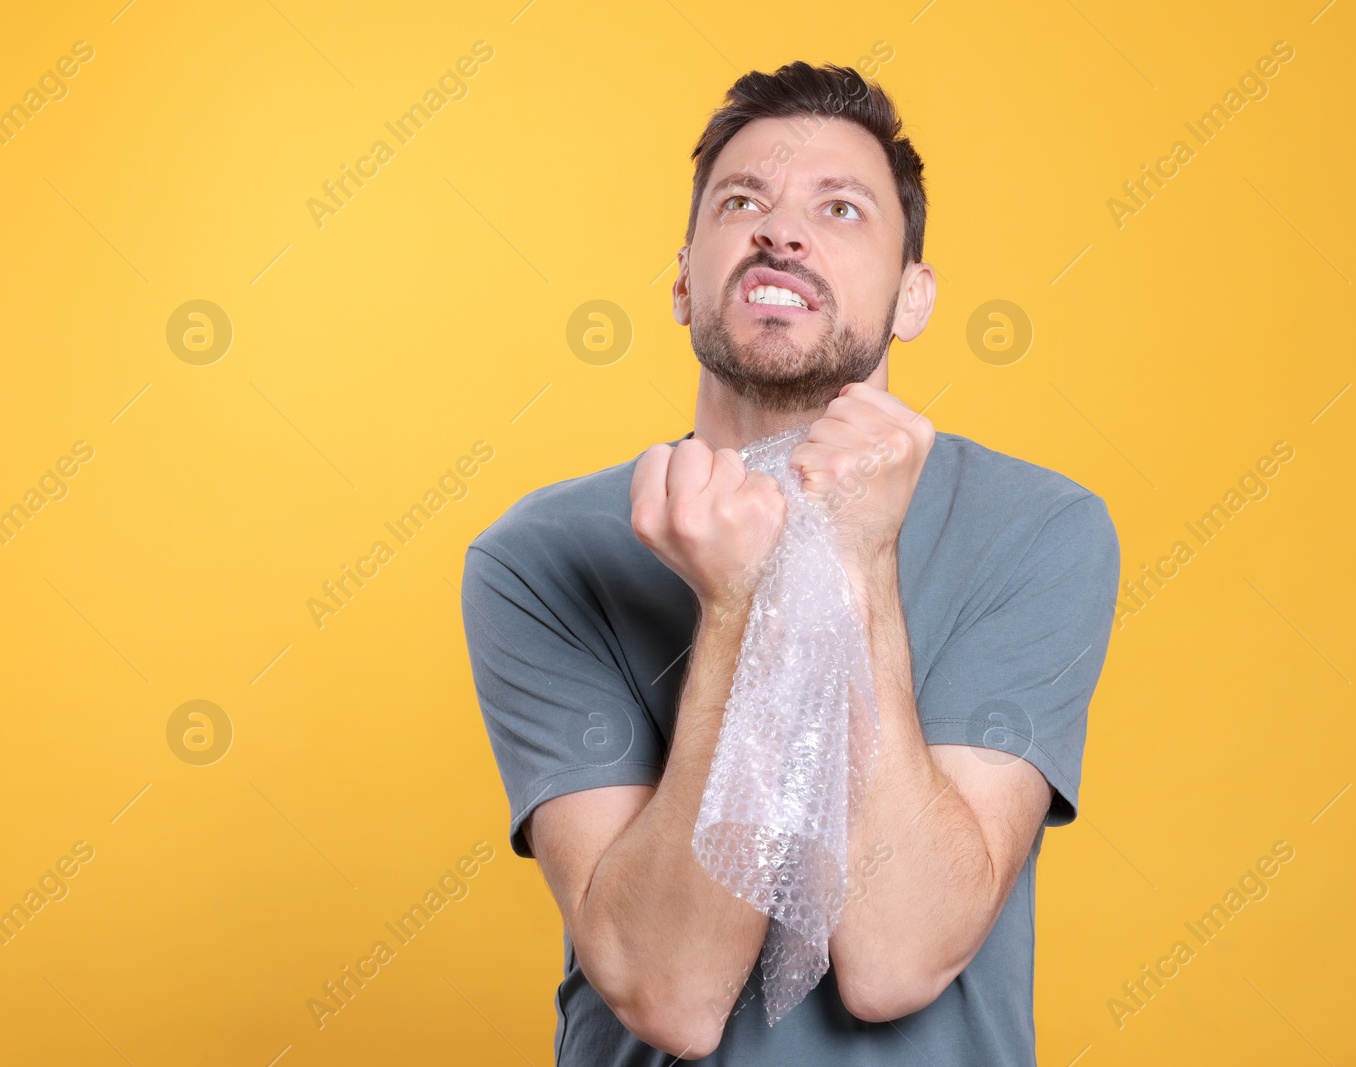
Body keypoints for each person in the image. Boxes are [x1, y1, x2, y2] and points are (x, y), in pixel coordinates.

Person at [460, 60, 1121, 1065]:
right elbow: (670, 990)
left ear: (911, 298)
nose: (780, 229)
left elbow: (897, 958)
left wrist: (851, 562)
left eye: (841, 208)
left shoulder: (1039, 530)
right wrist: (735, 609)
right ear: (684, 281)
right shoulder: (545, 557)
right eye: (741, 202)